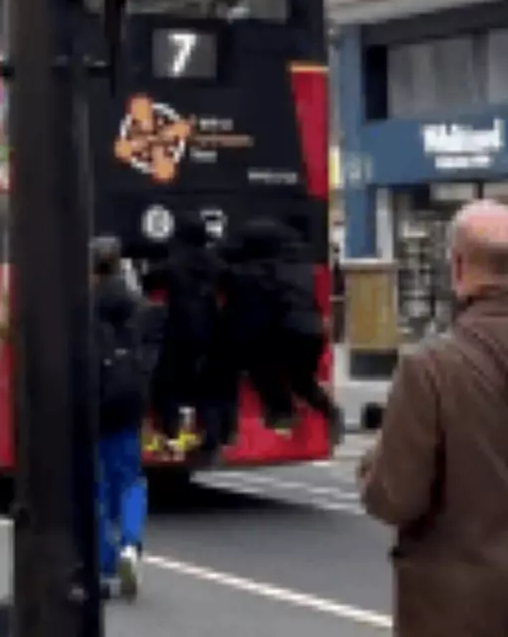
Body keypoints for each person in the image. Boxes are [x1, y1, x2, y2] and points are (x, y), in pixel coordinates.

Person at [358, 200, 508, 636]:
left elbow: (396, 499)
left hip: (460, 610)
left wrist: (371, 466)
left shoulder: (431, 368)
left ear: (458, 266)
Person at [91, 235, 162, 601]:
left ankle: (103, 567)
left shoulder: (83, 309)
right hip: (130, 403)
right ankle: (131, 545)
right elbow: (151, 360)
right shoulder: (142, 308)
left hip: (95, 405)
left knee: (98, 488)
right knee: (130, 480)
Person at [228, 219, 342, 442]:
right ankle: (330, 413)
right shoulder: (302, 268)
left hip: (283, 331)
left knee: (261, 368)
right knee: (302, 381)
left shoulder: (252, 272)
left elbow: (251, 311)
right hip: (312, 332)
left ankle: (283, 415)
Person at [150, 216, 223, 451]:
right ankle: (211, 437)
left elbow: (149, 281)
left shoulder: (174, 263)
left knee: (166, 383)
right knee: (207, 387)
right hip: (210, 333)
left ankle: (171, 431)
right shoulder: (216, 263)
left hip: (179, 332)